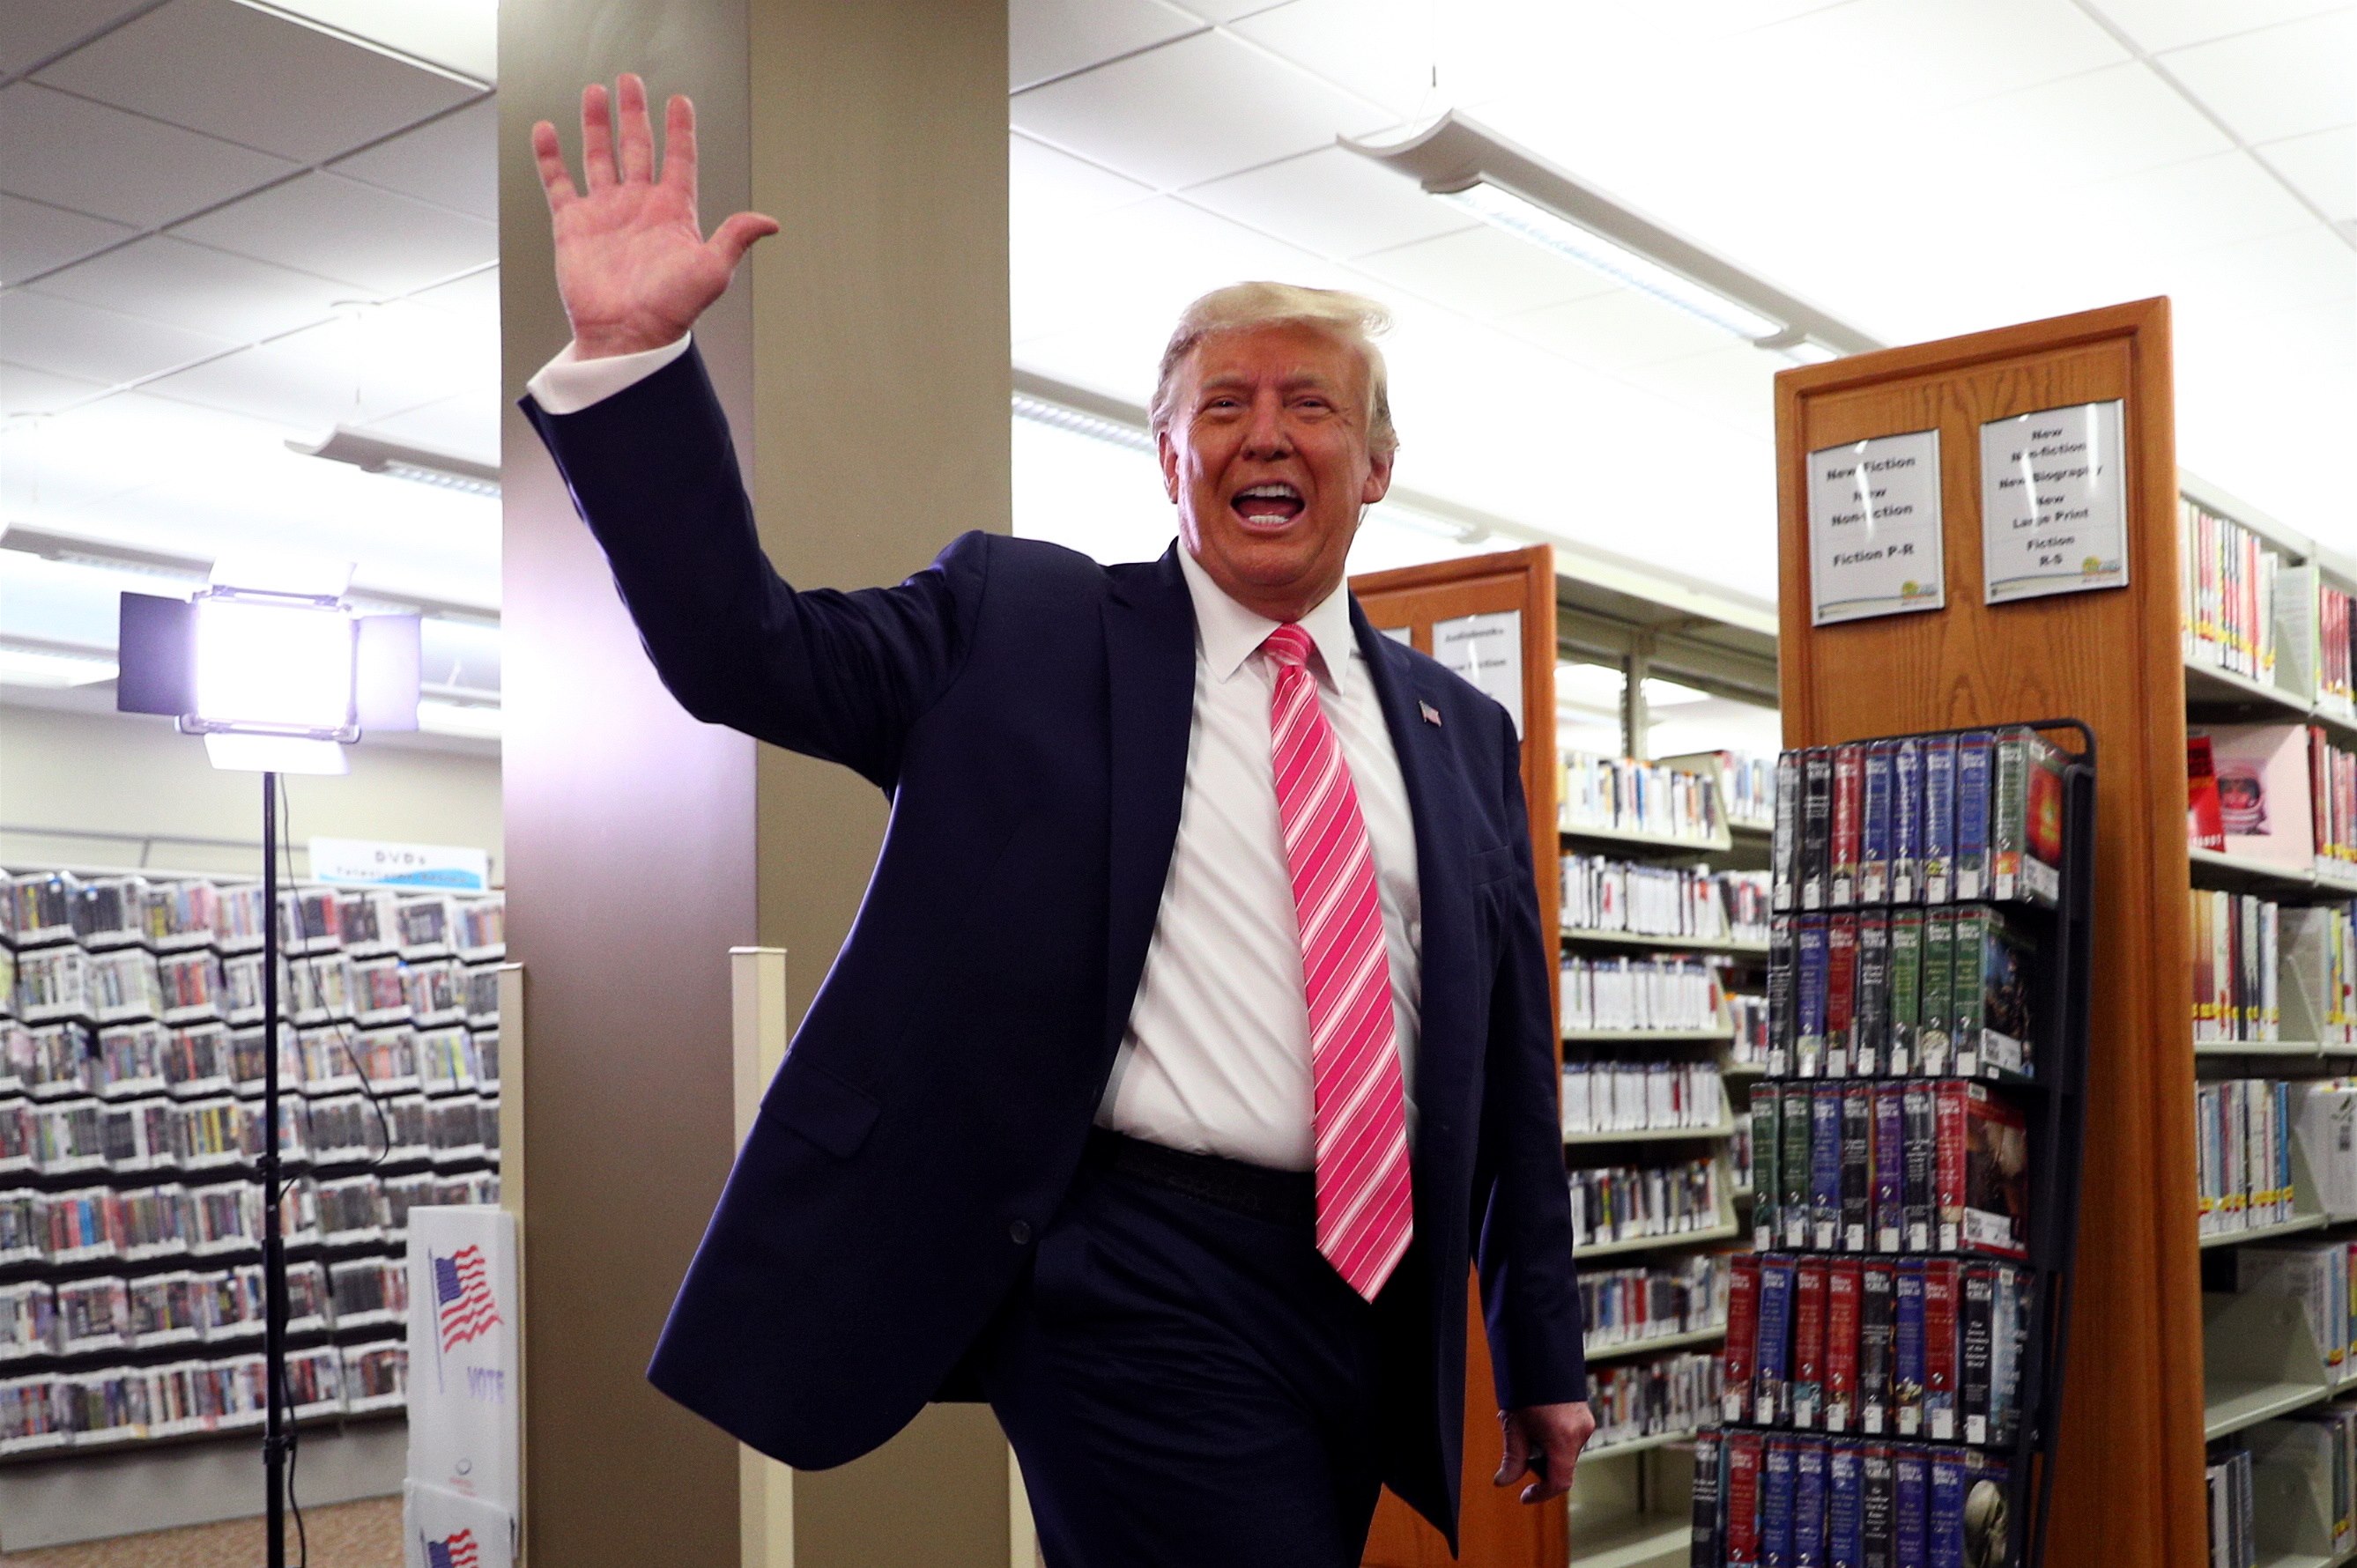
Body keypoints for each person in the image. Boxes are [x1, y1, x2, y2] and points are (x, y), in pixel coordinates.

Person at [521, 75, 1593, 1566]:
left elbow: (1508, 1068)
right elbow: (743, 652)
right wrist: (633, 369)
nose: (1264, 436)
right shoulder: (1019, 626)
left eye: (1310, 407)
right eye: (1223, 406)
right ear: (1167, 454)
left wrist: (1539, 1347)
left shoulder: (1460, 732)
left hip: (1365, 1295)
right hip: (1130, 1272)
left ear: (1376, 465)